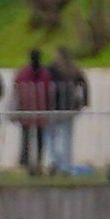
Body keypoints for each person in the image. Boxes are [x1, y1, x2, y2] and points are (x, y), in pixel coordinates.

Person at [46, 46, 89, 176]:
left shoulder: (51, 69)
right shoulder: (73, 69)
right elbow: (84, 84)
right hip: (70, 106)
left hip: (53, 106)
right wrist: (84, 102)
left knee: (50, 136)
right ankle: (64, 164)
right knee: (66, 136)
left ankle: (54, 161)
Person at [14, 49, 53, 175]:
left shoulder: (23, 73)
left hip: (31, 110)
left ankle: (28, 161)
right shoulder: (44, 74)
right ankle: (33, 161)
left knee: (31, 137)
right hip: (37, 110)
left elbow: (16, 91)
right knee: (33, 138)